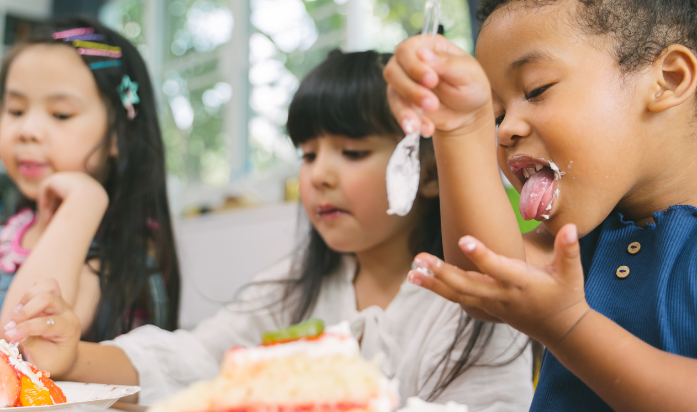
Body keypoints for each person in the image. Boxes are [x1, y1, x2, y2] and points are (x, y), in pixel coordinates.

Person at [384, 0, 697, 411]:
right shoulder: (570, 245)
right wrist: (460, 126)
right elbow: (484, 278)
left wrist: (567, 326)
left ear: (669, 79)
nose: (506, 130)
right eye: (497, 112)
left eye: (536, 90)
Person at [5, 50, 533, 410]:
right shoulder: (290, 290)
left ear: (429, 173)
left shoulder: (478, 310)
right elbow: (194, 358)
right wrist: (72, 357)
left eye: (351, 152)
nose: (319, 174)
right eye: (307, 154)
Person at [0, 17, 180, 341]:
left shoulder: (121, 251)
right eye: (15, 110)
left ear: (118, 135)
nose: (27, 131)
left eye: (61, 114)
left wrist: (85, 201)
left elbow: (24, 346)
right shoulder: (10, 230)